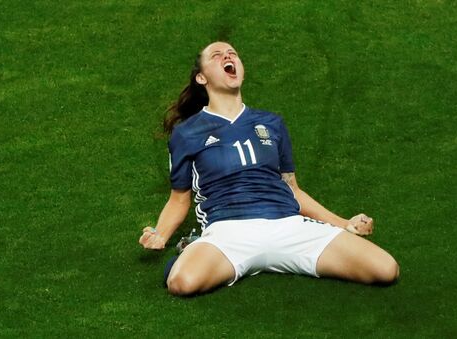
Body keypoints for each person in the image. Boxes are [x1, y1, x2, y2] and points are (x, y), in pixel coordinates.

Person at [139, 41, 399, 296]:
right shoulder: (187, 133)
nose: (227, 57)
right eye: (216, 55)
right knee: (182, 282)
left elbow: (292, 189)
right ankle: (193, 250)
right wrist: (160, 235)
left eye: (232, 53)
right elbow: (178, 199)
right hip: (230, 232)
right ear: (201, 78)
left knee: (386, 269)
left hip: (288, 226)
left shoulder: (271, 123)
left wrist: (344, 223)